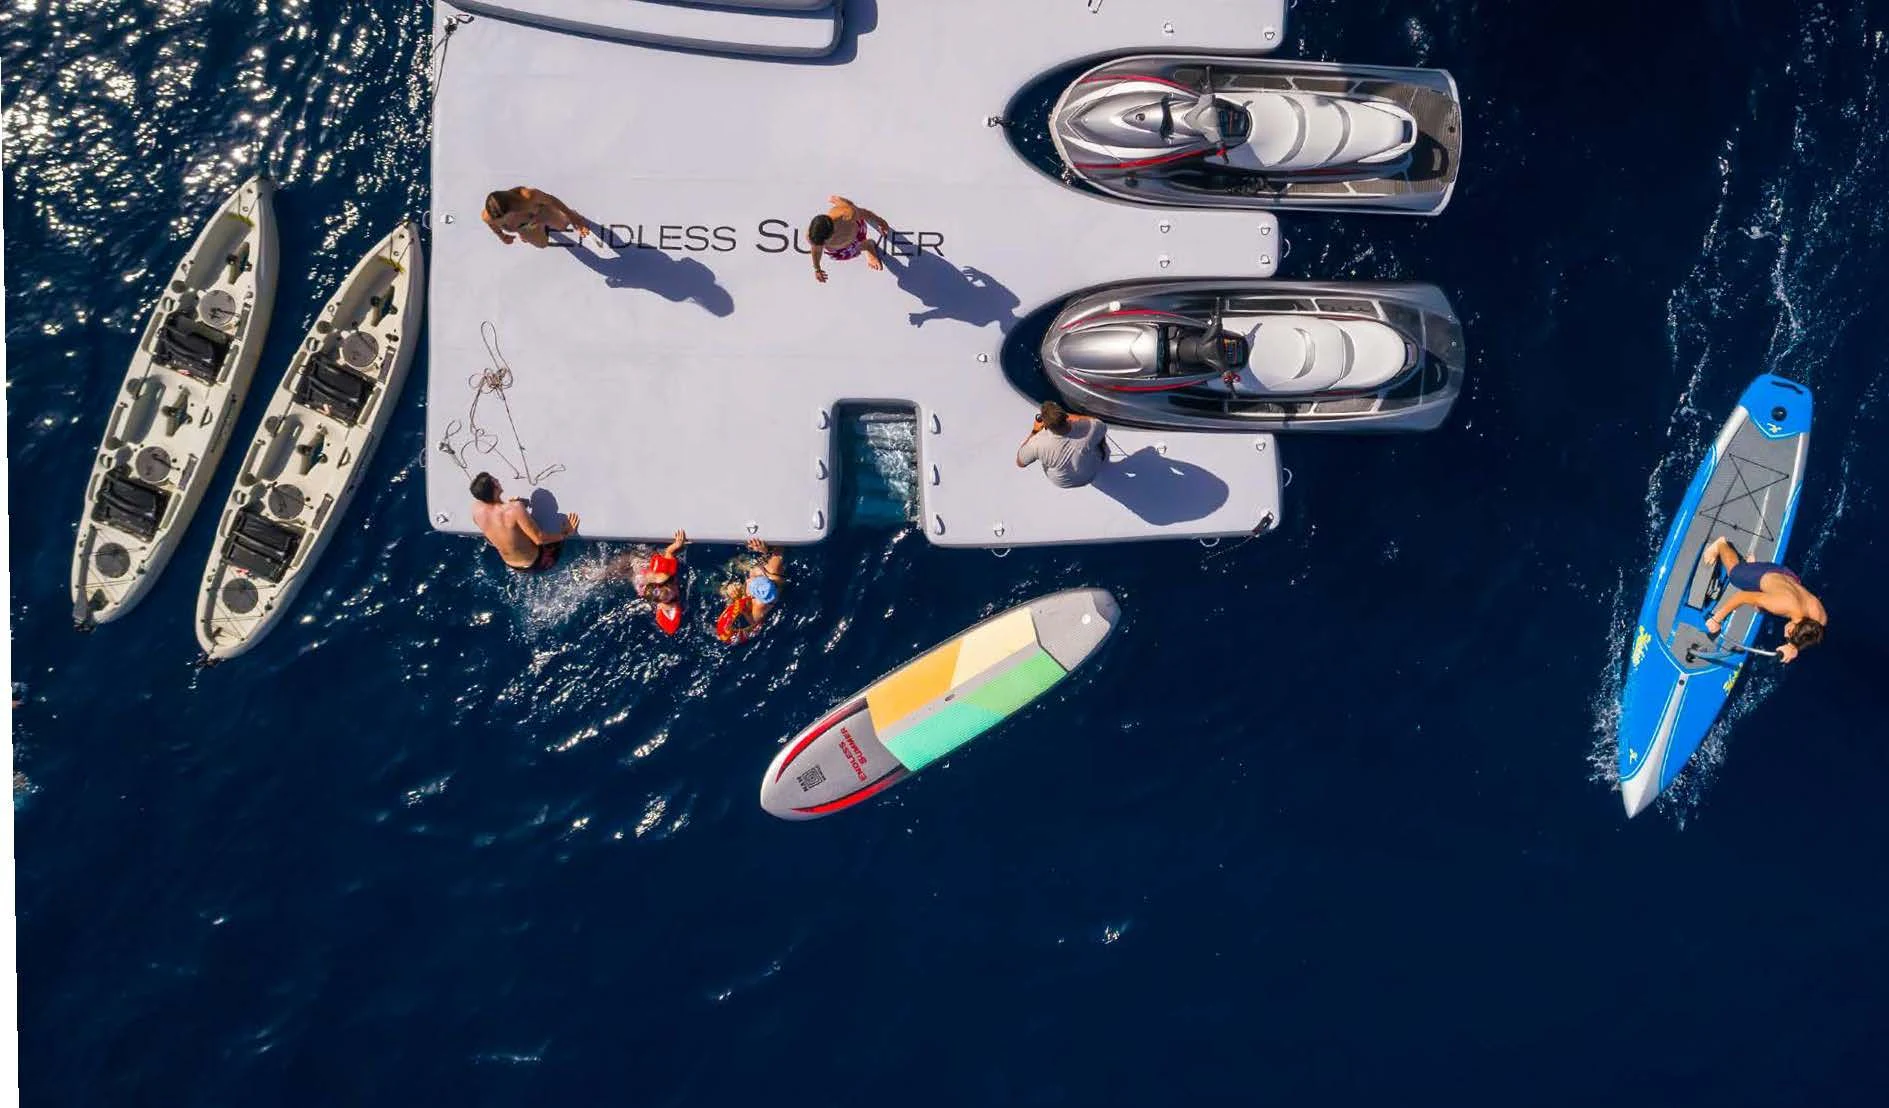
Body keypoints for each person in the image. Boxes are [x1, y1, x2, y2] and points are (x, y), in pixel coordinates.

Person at [1702, 535, 1827, 663]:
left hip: (1788, 576)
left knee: (1760, 607)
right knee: (1735, 576)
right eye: (1787, 637)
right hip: (1766, 574)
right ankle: (1721, 545)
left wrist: (1793, 647)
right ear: (1790, 629)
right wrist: (1716, 619)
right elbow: (1742, 597)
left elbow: (1810, 633)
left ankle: (1750, 569)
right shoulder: (1781, 605)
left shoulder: (1819, 619)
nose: (1785, 636)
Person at [469, 472, 579, 573]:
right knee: (560, 537)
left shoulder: (476, 511)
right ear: (495, 486)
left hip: (513, 566)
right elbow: (539, 539)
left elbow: (497, 524)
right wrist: (565, 533)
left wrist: (508, 506)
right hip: (540, 562)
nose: (497, 479)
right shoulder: (515, 508)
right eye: (495, 480)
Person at [581, 531, 688, 634]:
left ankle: (592, 575)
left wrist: (672, 549)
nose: (673, 592)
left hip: (638, 576)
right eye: (670, 592)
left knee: (616, 572)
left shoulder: (664, 597)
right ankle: (593, 575)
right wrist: (676, 546)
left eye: (670, 593)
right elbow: (668, 552)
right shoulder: (663, 578)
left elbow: (670, 628)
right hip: (640, 569)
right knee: (609, 572)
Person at [1015, 401, 1108, 489]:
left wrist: (1035, 431)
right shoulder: (1090, 427)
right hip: (1090, 474)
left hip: (1063, 482)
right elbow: (1101, 425)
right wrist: (1068, 417)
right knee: (1098, 441)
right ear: (1066, 416)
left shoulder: (1037, 442)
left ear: (1046, 425)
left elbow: (1020, 463)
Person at [808, 195, 891, 284]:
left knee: (852, 207)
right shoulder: (814, 236)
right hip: (839, 249)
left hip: (856, 234)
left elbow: (866, 214)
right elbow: (816, 251)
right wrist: (817, 269)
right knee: (852, 251)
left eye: (824, 241)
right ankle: (867, 246)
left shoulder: (847, 216)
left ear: (832, 232)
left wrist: (881, 222)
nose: (821, 245)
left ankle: (840, 201)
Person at [716, 538, 786, 644]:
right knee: (737, 562)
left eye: (751, 593)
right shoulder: (770, 572)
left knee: (722, 589)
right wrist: (765, 551)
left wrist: (735, 597)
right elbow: (779, 548)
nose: (748, 580)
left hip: (763, 575)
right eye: (751, 581)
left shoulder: (758, 611)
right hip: (763, 569)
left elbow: (750, 622)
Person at [482, 187, 589, 248]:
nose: (510, 222)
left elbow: (551, 200)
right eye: (504, 223)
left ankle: (563, 217)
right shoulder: (489, 217)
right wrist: (502, 236)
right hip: (526, 228)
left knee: (563, 225)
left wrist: (572, 217)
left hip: (541, 213)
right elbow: (491, 224)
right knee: (542, 244)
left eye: (510, 217)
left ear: (515, 205)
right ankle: (534, 231)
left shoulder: (529, 196)